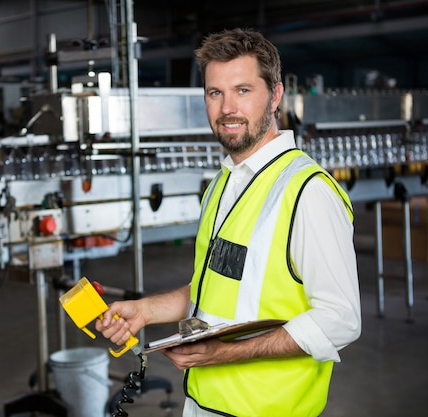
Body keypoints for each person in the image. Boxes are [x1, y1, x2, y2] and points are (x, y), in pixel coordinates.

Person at [96, 28, 361, 417]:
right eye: (215, 93)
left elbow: (341, 320)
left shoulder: (307, 192)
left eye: (243, 90)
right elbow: (219, 289)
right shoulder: (223, 183)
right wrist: (147, 311)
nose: (227, 109)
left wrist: (226, 353)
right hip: (203, 404)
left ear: (275, 95)